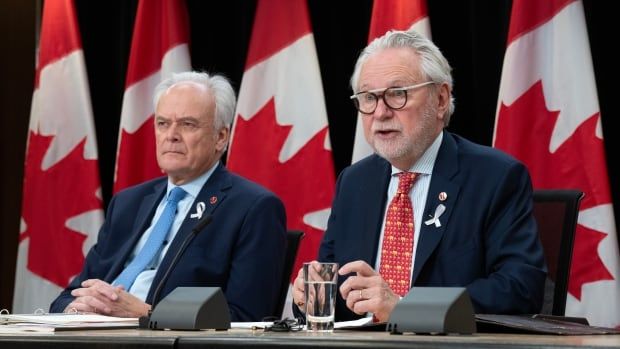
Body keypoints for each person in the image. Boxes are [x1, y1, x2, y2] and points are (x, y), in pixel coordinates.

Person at [292, 29, 546, 322]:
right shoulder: (354, 183)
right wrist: (312, 296)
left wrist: (406, 309)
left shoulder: (496, 178)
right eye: (368, 97)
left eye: (397, 94)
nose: (380, 112)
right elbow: (335, 290)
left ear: (440, 99)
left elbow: (520, 288)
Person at [50, 71, 287, 322]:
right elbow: (68, 297)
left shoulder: (253, 208)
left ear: (221, 137)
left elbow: (246, 318)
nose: (171, 135)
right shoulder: (127, 203)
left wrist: (145, 314)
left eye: (187, 124)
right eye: (162, 123)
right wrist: (77, 309)